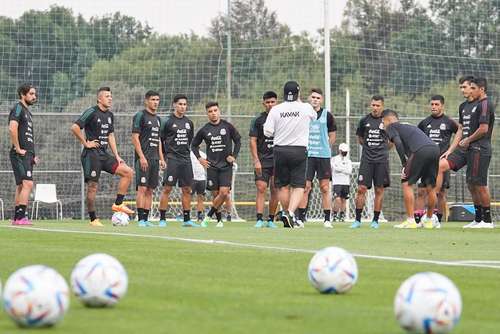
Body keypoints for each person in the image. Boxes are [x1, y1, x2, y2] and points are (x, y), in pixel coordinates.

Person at [71, 87, 134, 227]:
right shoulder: (91, 112)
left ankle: (118, 204)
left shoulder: (110, 115)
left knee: (128, 172)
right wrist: (85, 143)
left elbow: (110, 135)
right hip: (91, 155)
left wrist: (117, 156)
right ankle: (93, 219)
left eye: (111, 96)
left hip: (104, 155)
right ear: (99, 99)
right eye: (107, 96)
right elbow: (75, 127)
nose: (110, 98)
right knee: (93, 186)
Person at [437, 77, 495, 229]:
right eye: (461, 87)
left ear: (477, 88)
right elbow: (460, 130)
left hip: (479, 148)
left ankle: (487, 220)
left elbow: (483, 129)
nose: (463, 90)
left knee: (479, 184)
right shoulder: (463, 106)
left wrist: (468, 140)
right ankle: (476, 218)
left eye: (466, 87)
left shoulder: (484, 104)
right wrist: (450, 150)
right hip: (465, 148)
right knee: (444, 168)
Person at [263, 81, 316, 228]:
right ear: (298, 93)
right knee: (298, 186)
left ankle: (287, 213)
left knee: (283, 186)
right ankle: (291, 213)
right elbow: (314, 117)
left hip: (280, 150)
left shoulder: (276, 109)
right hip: (299, 150)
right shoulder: (306, 108)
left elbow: (267, 131)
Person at [382, 109, 440, 229]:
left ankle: (410, 220)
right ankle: (429, 221)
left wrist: (404, 163)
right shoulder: (409, 127)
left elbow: (397, 143)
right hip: (434, 149)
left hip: (420, 150)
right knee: (430, 187)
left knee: (406, 184)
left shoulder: (391, 126)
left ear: (387, 120)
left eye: (383, 122)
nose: (383, 125)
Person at [192, 101, 241, 228]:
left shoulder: (227, 126)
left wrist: (234, 156)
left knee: (224, 193)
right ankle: (219, 221)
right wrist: (199, 159)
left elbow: (238, 140)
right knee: (215, 195)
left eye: (215, 110)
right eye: (210, 111)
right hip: (212, 166)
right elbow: (194, 145)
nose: (213, 113)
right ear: (207, 114)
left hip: (226, 166)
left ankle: (208, 216)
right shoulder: (204, 130)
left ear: (219, 111)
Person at [415, 95, 458, 224]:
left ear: (442, 106)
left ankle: (438, 219)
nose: (434, 107)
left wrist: (451, 152)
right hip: (426, 161)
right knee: (422, 190)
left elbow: (460, 135)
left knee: (440, 192)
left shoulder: (449, 122)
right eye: (432, 104)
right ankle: (417, 219)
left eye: (436, 104)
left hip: (442, 163)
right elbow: (416, 138)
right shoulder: (424, 123)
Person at [298, 88, 337, 228]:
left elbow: (332, 135)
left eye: (318, 98)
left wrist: (326, 146)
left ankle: (327, 219)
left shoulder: (328, 115)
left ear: (322, 100)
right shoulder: (304, 114)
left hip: (323, 156)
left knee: (325, 187)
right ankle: (300, 218)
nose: (315, 99)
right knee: (305, 187)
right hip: (307, 155)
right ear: (309, 98)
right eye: (313, 97)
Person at [158, 94, 198, 227]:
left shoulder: (189, 123)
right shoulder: (167, 121)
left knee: (187, 189)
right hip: (172, 159)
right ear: (174, 105)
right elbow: (160, 140)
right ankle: (162, 219)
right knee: (167, 188)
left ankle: (186, 220)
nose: (183, 107)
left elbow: (189, 141)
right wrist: (162, 159)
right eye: (180, 104)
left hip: (186, 160)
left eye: (185, 104)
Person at [351, 95, 390, 229]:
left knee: (379, 190)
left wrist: (383, 150)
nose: (375, 108)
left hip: (381, 161)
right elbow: (360, 139)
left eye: (378, 105)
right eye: (373, 105)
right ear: (370, 105)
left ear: (382, 106)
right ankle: (357, 220)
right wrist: (370, 148)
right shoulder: (364, 121)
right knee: (361, 189)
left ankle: (375, 220)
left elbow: (392, 142)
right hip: (367, 160)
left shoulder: (387, 121)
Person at [132, 90, 166, 227]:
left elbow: (158, 140)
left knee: (150, 189)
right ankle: (140, 219)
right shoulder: (140, 116)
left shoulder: (158, 120)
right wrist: (141, 157)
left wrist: (161, 158)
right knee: (142, 188)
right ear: (146, 101)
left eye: (157, 100)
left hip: (154, 159)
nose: (155, 102)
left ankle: (146, 219)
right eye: (153, 99)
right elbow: (135, 138)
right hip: (143, 159)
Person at [9, 83, 38, 225]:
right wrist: (18, 148)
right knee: (28, 183)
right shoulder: (18, 108)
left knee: (21, 185)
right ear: (23, 94)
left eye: (35, 94)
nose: (34, 97)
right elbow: (12, 129)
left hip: (28, 154)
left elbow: (28, 136)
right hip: (19, 153)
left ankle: (16, 217)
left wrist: (33, 155)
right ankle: (21, 217)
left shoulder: (28, 112)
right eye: (31, 94)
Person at [249, 91, 279, 228]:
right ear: (264, 104)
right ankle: (259, 219)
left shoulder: (282, 118)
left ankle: (271, 220)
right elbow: (253, 141)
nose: (270, 105)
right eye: (267, 102)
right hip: (262, 160)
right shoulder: (258, 120)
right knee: (261, 188)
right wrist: (256, 160)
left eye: (272, 102)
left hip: (278, 160)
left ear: (277, 102)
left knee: (275, 189)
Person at [331, 143, 352, 223]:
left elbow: (349, 171)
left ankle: (342, 215)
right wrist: (343, 169)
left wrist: (340, 169)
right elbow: (334, 168)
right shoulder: (334, 159)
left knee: (344, 200)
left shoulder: (348, 161)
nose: (345, 152)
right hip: (337, 182)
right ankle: (335, 214)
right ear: (340, 150)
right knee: (337, 199)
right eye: (343, 151)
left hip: (346, 183)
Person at [191, 150, 207, 224]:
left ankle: (200, 215)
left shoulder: (203, 154)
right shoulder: (189, 154)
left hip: (201, 178)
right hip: (191, 178)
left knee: (200, 197)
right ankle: (185, 214)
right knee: (188, 196)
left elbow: (206, 165)